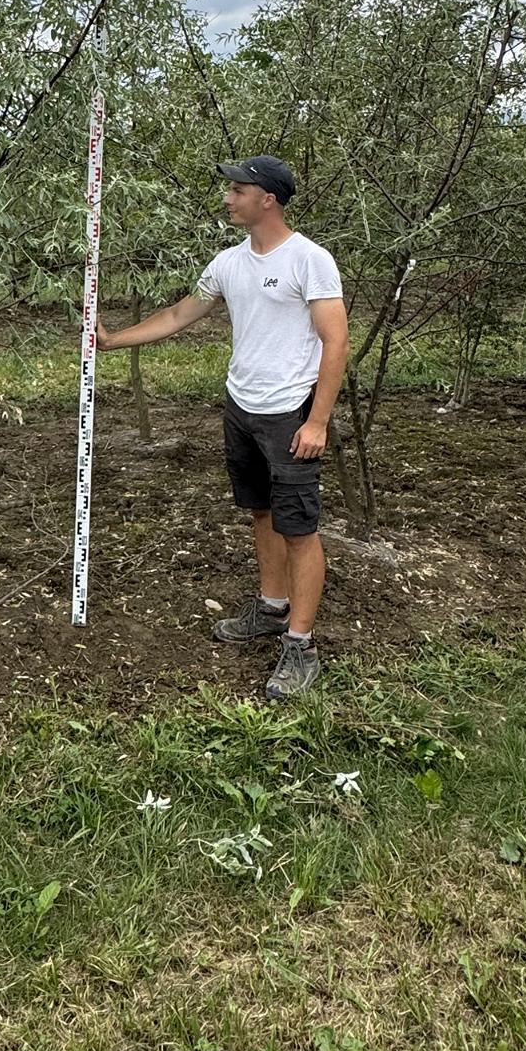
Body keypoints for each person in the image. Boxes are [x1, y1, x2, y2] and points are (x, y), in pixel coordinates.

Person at [96, 156, 349, 700]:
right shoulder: (229, 263)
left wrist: (319, 422)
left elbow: (336, 341)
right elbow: (179, 315)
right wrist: (113, 340)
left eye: (238, 190)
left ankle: (301, 646)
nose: (228, 199)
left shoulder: (310, 260)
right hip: (241, 408)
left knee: (299, 530)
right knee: (261, 512)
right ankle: (271, 607)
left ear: (269, 199)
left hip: (290, 414)